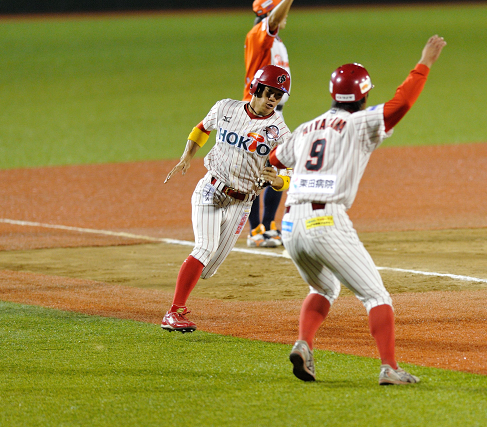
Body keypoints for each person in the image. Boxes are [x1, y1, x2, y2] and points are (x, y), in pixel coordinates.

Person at [269, 35, 447, 385]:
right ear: (363, 94)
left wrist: (292, 176)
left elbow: (275, 160)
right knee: (375, 295)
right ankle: (389, 368)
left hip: (289, 224)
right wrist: (424, 62)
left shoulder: (306, 128)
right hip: (326, 221)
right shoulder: (361, 122)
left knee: (324, 288)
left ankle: (304, 344)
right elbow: (401, 104)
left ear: (334, 94)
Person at [161, 65, 293, 333]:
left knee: (207, 268)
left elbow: (290, 172)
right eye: (269, 92)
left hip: (243, 202)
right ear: (256, 87)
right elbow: (202, 128)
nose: (272, 99)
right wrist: (187, 155)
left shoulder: (280, 131)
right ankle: (174, 312)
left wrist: (277, 181)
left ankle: (182, 298)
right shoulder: (225, 108)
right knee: (203, 248)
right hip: (211, 189)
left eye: (278, 96)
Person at [243, 0, 294, 248]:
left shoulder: (275, 41)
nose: (287, 15)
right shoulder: (258, 35)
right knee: (254, 170)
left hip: (273, 114)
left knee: (279, 166)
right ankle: (255, 229)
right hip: (256, 114)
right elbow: (272, 21)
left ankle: (269, 224)